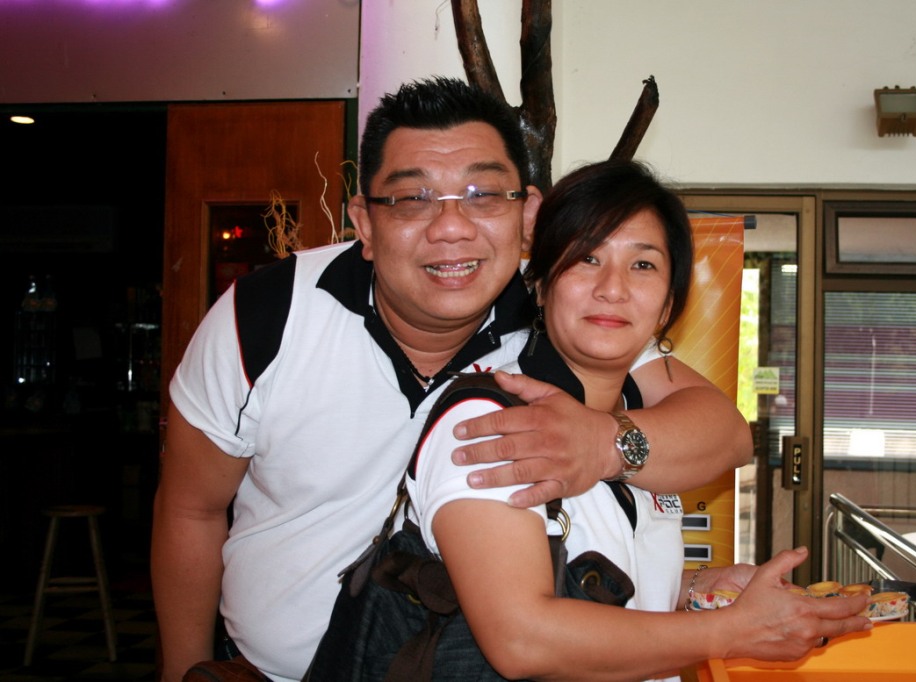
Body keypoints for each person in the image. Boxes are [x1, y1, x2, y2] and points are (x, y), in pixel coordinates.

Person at [151, 77, 753, 682]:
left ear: (527, 215)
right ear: (364, 222)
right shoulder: (268, 315)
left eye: (482, 195)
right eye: (413, 199)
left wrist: (602, 444)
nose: (451, 228)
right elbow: (191, 511)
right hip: (269, 672)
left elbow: (723, 431)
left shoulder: (563, 310)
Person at [315, 159, 871, 681]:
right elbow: (521, 637)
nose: (613, 288)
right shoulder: (493, 419)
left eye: (643, 264)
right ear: (540, 283)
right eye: (587, 258)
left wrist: (699, 588)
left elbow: (591, 582)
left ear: (667, 305)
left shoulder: (639, 432)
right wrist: (732, 631)